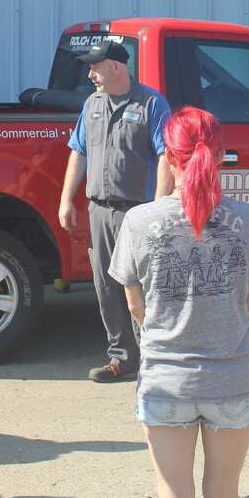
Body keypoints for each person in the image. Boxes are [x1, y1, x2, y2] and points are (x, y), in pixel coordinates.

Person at [108, 106, 249, 498]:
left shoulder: (138, 221)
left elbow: (135, 306)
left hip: (166, 380)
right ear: (220, 157)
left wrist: (169, 329)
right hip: (232, 378)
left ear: (169, 158)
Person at [59, 39, 173, 382]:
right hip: (100, 211)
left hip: (137, 211)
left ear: (116, 67)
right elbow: (78, 152)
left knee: (141, 284)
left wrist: (159, 207)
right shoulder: (91, 104)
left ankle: (154, 360)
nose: (91, 74)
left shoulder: (152, 104)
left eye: (96, 67)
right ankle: (122, 358)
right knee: (107, 286)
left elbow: (167, 155)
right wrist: (67, 200)